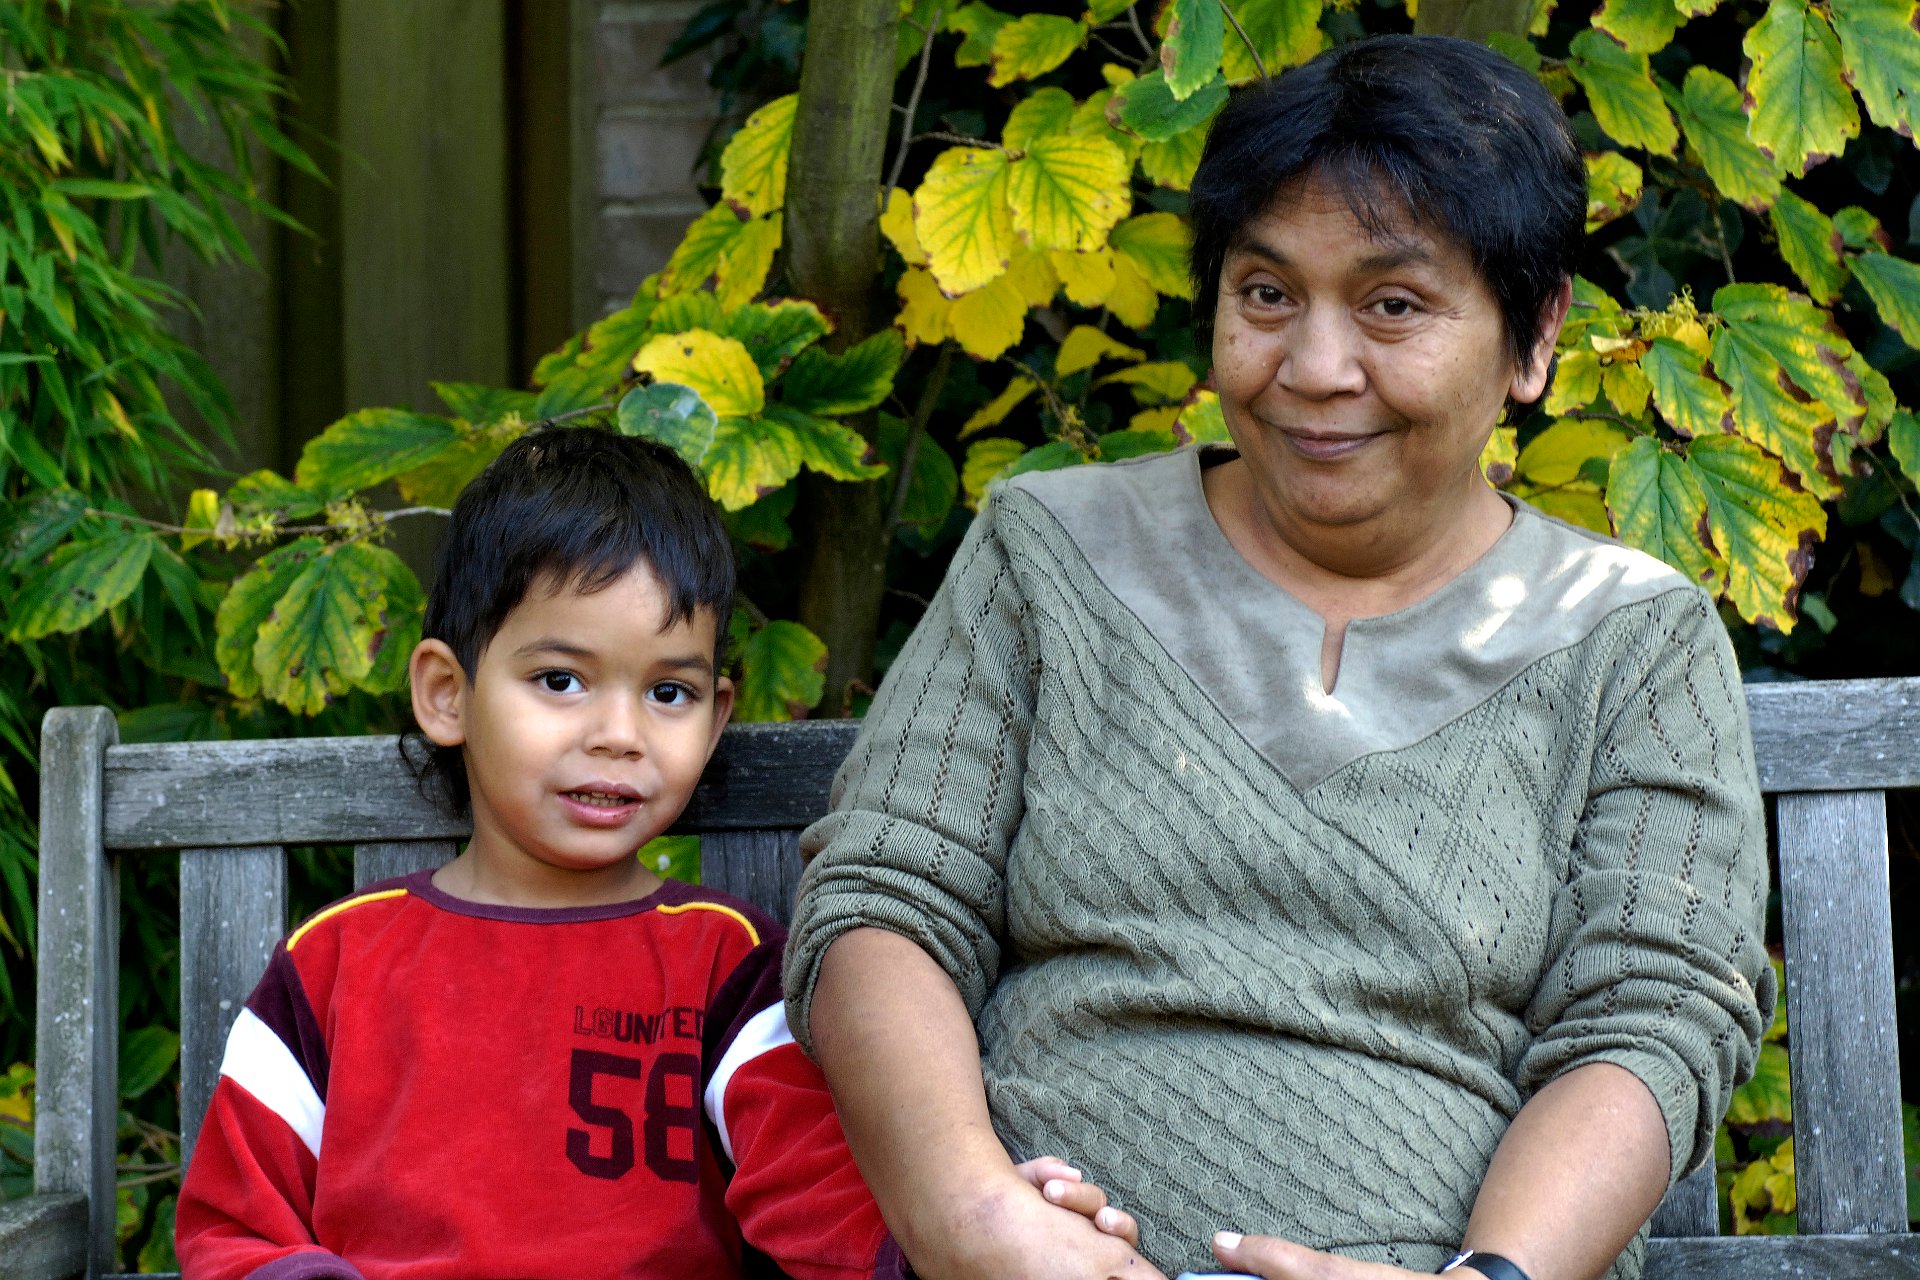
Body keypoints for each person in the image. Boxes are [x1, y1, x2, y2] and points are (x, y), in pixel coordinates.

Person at [781, 34, 1775, 1280]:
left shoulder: (1631, 640)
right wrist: (973, 1218)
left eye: (1393, 305)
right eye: (1265, 295)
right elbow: (887, 902)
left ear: (1533, 339)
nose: (1314, 369)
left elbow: (1654, 1018)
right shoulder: (1053, 552)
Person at [175, 428, 1136, 1280]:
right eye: (561, 680)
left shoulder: (725, 968)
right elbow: (233, 1225)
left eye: (667, 694)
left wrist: (979, 1242)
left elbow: (818, 1197)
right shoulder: (336, 963)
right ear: (447, 694)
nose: (619, 735)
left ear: (716, 717)